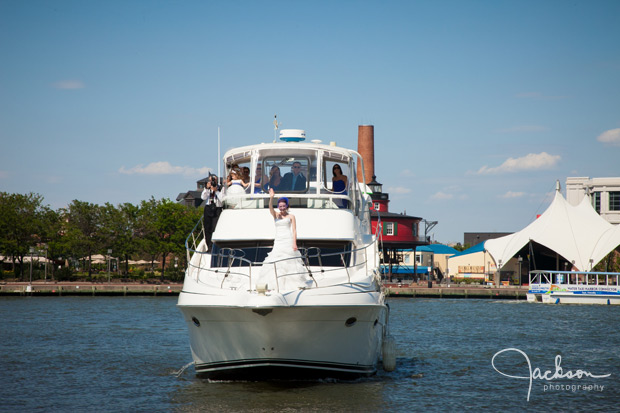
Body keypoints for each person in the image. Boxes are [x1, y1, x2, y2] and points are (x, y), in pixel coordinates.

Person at [255, 188, 312, 291]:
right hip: (278, 240)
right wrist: (271, 197)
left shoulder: (291, 216)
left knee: (290, 262)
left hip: (288, 239)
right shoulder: (276, 215)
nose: (281, 208)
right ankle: (274, 285)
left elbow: (294, 230)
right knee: (275, 260)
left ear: (287, 206)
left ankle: (293, 285)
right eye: (280, 206)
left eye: (283, 206)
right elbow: (270, 209)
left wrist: (294, 243)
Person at [201, 176, 223, 251]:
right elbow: (203, 198)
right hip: (208, 208)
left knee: (215, 228)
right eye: (210, 180)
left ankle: (214, 246)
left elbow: (222, 199)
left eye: (213, 180)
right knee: (207, 228)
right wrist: (207, 188)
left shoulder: (220, 187)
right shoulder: (207, 188)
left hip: (217, 208)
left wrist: (216, 190)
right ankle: (209, 247)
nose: (212, 181)